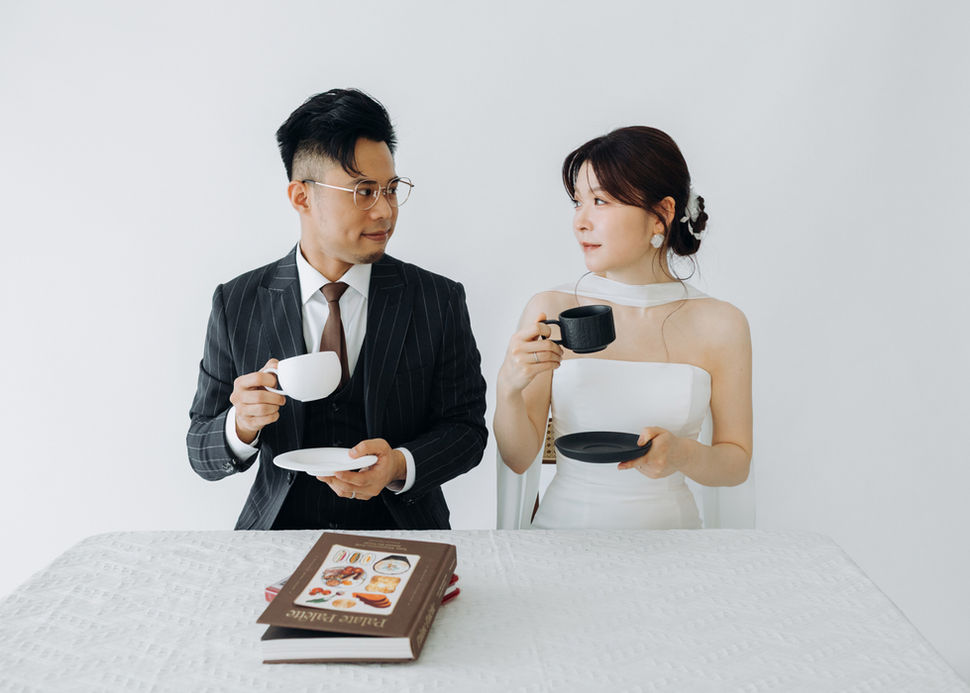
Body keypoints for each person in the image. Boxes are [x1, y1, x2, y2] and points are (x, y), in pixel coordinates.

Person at [187, 89, 487, 531]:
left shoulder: (436, 299)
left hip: (404, 535)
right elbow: (200, 450)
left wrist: (398, 465)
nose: (385, 211)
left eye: (390, 189)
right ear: (301, 197)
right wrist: (241, 424)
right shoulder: (237, 302)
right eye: (364, 191)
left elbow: (467, 431)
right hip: (276, 536)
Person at [494, 126, 752, 529]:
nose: (581, 222)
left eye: (600, 201)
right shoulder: (551, 309)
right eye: (577, 202)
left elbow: (736, 463)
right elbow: (518, 457)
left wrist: (684, 454)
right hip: (559, 543)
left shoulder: (722, 323)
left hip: (678, 547)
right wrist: (508, 388)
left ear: (661, 215)